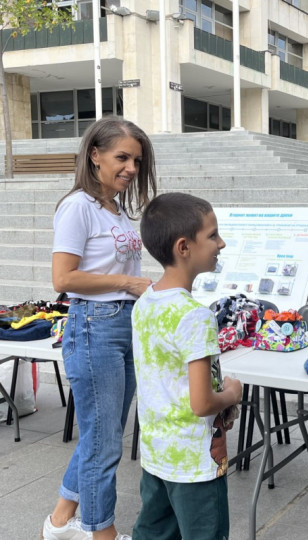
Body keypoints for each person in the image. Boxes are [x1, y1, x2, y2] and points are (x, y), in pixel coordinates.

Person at [43, 116, 157, 540]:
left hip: (122, 325)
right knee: (104, 440)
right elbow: (63, 279)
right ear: (95, 155)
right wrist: (128, 283)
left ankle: (58, 524)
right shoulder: (78, 206)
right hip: (94, 326)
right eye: (122, 157)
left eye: (136, 160)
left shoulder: (115, 209)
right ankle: (100, 533)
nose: (131, 168)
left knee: (101, 434)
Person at [130, 192, 242, 539]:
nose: (220, 243)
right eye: (212, 235)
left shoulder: (146, 302)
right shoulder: (195, 317)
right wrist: (232, 394)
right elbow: (202, 403)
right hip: (195, 463)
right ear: (183, 247)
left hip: (157, 455)